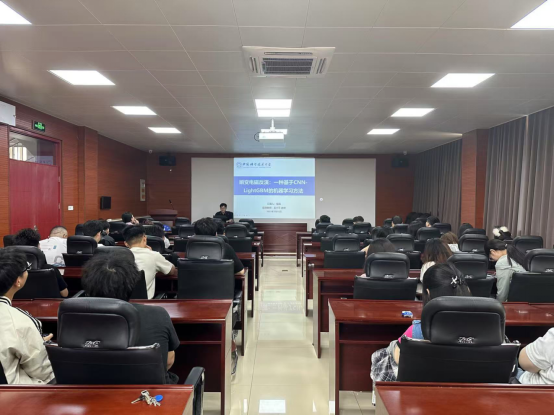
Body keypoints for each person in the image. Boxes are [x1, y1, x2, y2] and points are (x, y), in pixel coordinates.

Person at [81, 250, 179, 384]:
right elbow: (168, 360)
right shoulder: (157, 314)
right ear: (133, 283)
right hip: (146, 393)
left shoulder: (72, 317)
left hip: (89, 392)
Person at [392, 263, 472, 364]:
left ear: (428, 293)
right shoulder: (486, 329)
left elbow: (399, 361)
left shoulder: (417, 331)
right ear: (467, 290)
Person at [0, 249, 55, 384]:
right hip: (10, 393)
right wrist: (36, 343)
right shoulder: (18, 321)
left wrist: (31, 341)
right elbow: (43, 372)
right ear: (18, 281)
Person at [11, 228, 68, 298]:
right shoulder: (51, 269)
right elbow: (65, 294)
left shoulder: (10, 270)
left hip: (17, 304)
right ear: (37, 248)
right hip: (49, 305)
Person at [124, 225, 176, 299]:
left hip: (120, 303)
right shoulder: (154, 255)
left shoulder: (118, 256)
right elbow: (172, 270)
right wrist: (152, 253)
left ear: (126, 243)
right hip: (144, 303)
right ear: (144, 238)